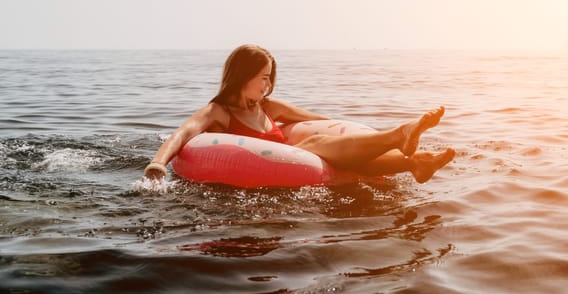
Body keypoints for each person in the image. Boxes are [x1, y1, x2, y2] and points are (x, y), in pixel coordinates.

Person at [144, 44, 455, 183]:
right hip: (271, 166)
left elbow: (320, 121)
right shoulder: (219, 112)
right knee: (317, 144)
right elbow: (183, 133)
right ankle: (399, 137)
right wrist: (158, 163)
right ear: (242, 76)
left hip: (302, 160)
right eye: (262, 77)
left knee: (320, 140)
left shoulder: (270, 107)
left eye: (269, 77)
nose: (268, 84)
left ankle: (414, 162)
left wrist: (346, 132)